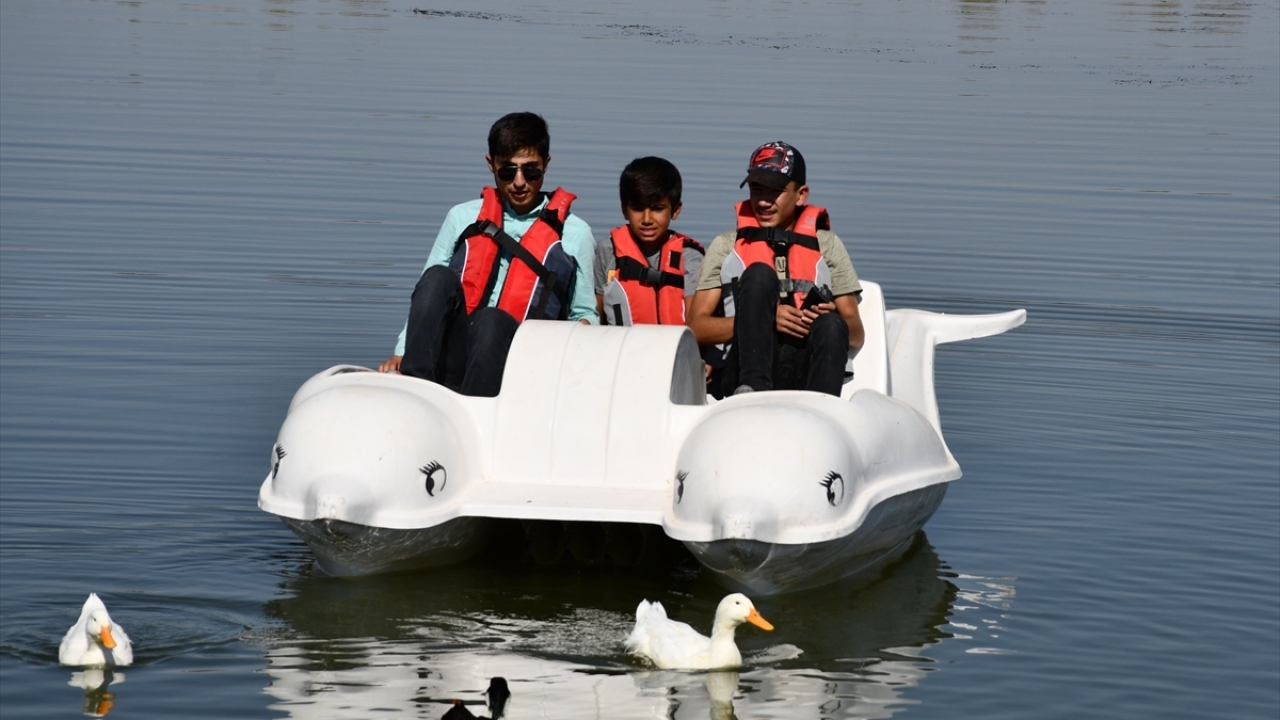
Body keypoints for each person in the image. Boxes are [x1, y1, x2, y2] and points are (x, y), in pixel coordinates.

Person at [379, 112, 596, 397]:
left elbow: (586, 315)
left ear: (546, 165)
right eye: (508, 171)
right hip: (457, 353)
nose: (519, 182)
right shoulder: (461, 217)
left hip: (523, 364)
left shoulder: (576, 233)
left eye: (530, 171)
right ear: (491, 164)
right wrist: (402, 350)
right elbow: (428, 296)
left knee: (491, 321)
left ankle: (476, 408)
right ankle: (416, 385)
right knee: (436, 277)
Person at [687, 141, 864, 397]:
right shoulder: (726, 245)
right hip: (741, 372)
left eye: (776, 191)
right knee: (759, 274)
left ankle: (821, 410)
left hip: (803, 371)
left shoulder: (827, 244)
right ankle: (751, 391)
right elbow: (696, 328)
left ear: (801, 194)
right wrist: (765, 321)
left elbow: (857, 334)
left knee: (833, 325)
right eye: (757, 190)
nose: (763, 201)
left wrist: (830, 315)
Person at [594, 156, 704, 327]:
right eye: (637, 209)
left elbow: (696, 324)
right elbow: (596, 316)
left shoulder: (689, 256)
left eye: (657, 209)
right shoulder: (607, 250)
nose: (647, 219)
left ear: (675, 210)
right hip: (621, 350)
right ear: (624, 210)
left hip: (673, 350)